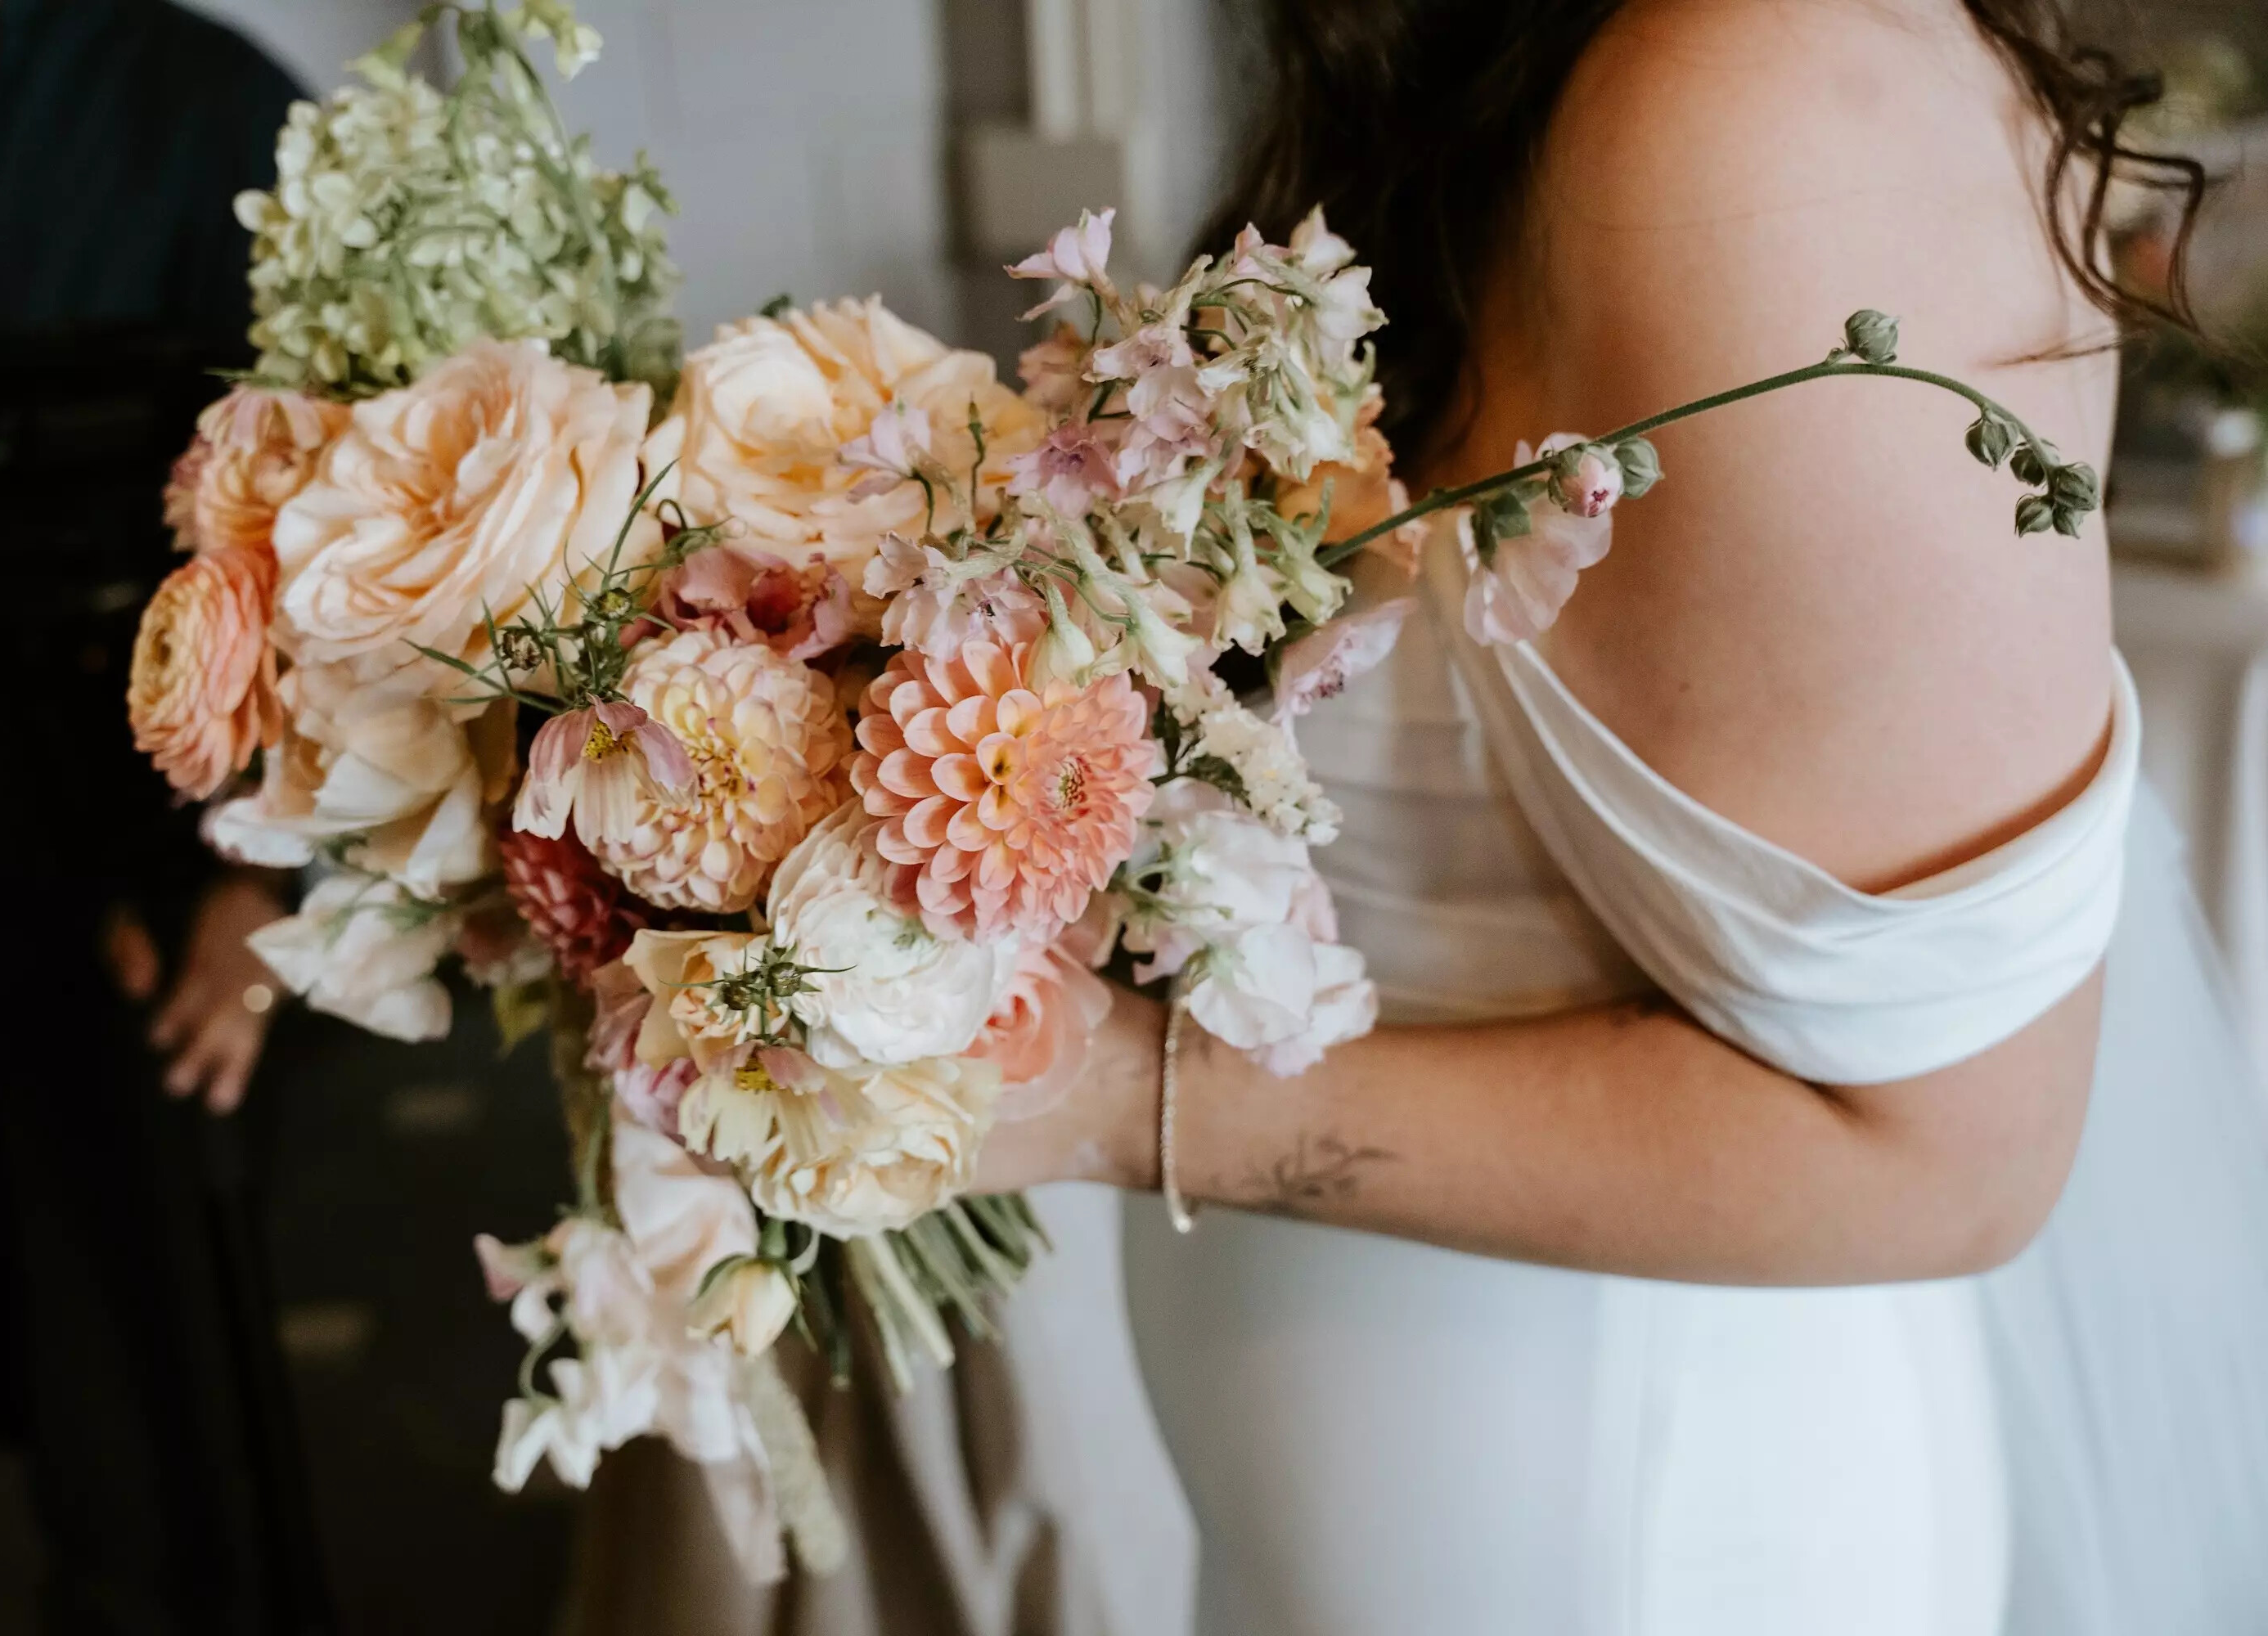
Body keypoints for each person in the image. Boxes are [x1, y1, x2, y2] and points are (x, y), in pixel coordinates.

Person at [944, 0, 2268, 1632]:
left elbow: (1956, 1151)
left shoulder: (1759, 98)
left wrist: (1103, 1096)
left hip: (1646, 1541)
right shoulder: (1521, 66)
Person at [0, 1, 330, 1630]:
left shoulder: (188, 105)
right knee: (34, 1412)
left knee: (173, 1485)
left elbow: (356, 507)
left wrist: (269, 870)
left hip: (132, 930)